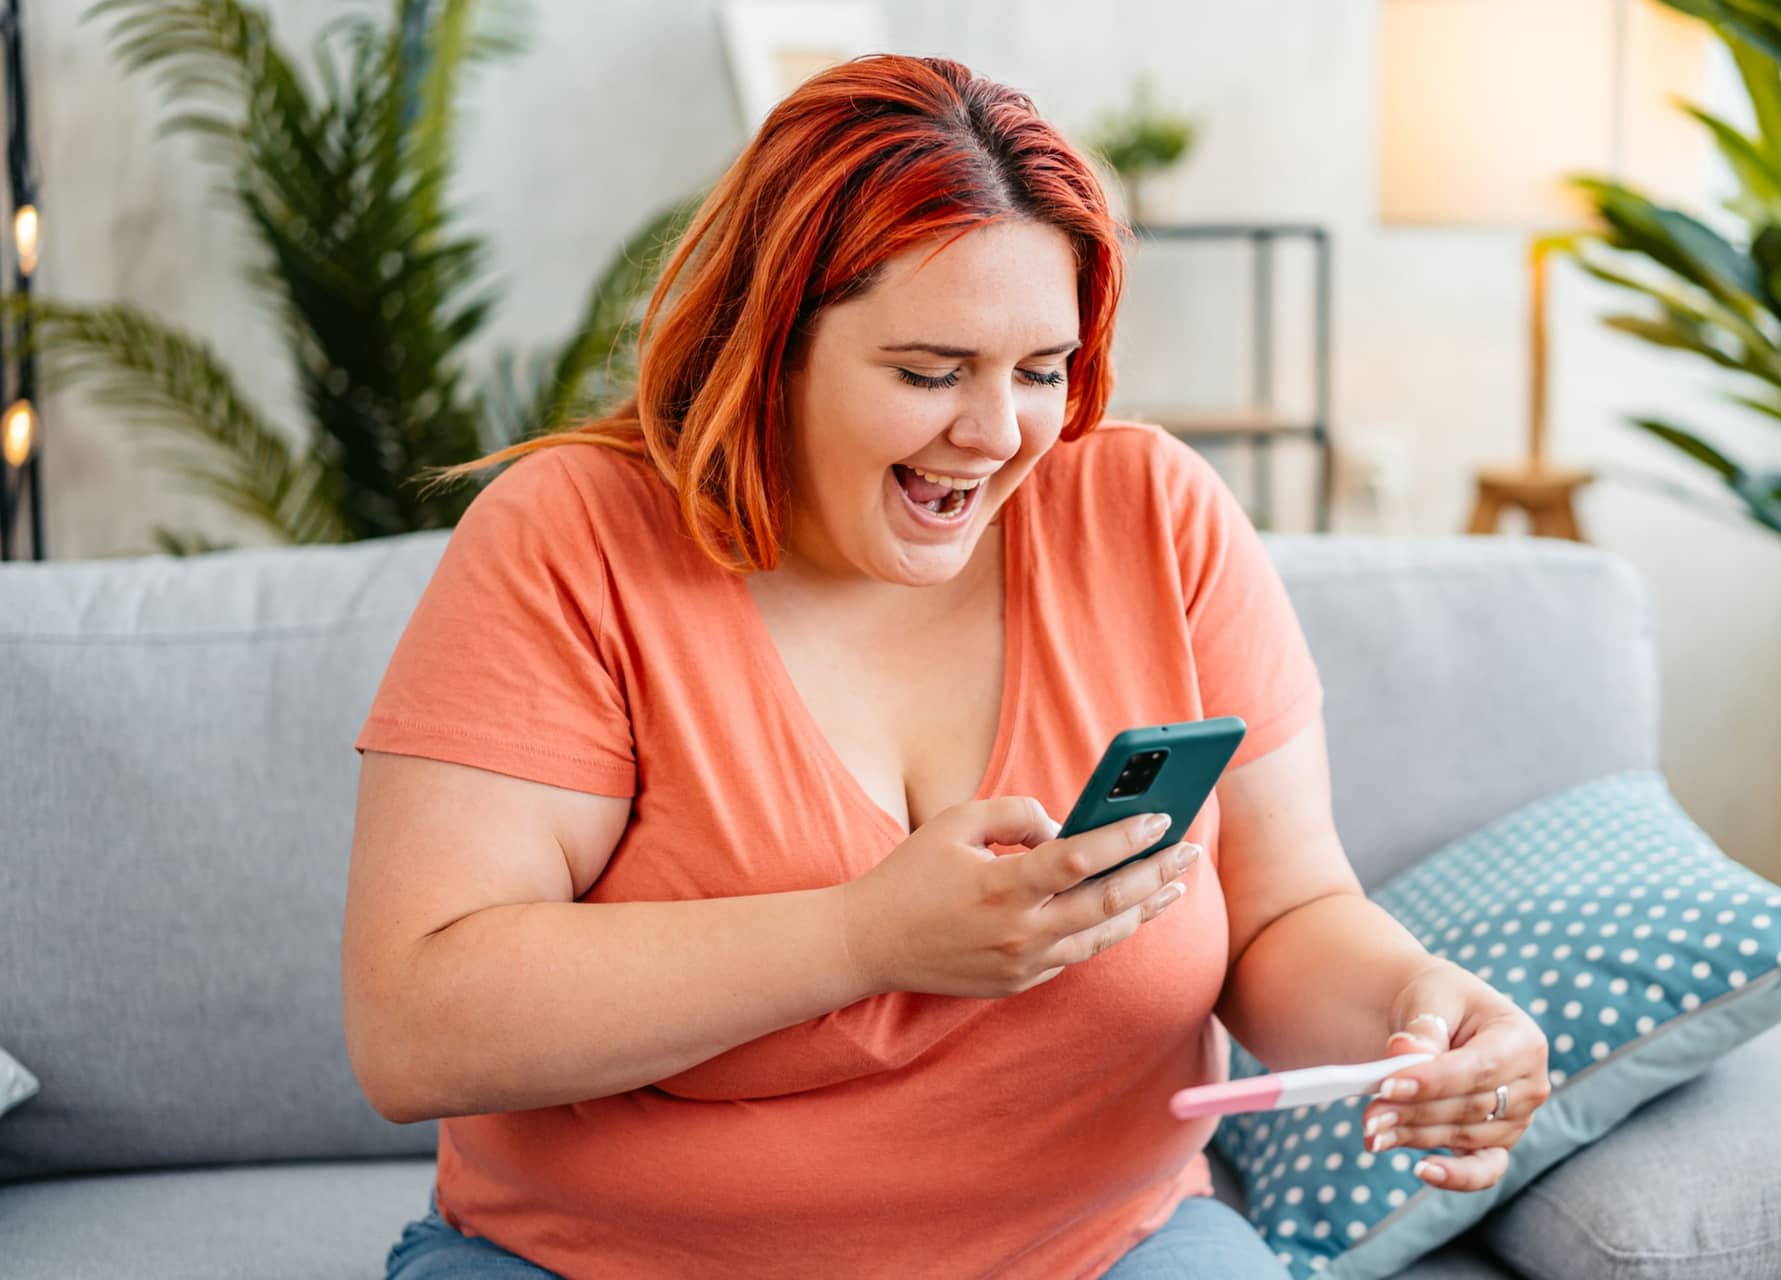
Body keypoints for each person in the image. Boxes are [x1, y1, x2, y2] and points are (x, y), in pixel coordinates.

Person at [343, 53, 1547, 1280]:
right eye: (927, 372)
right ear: (774, 345)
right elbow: (415, 1026)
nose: (994, 434)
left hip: (1098, 1249)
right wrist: (863, 937)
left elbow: (1285, 916)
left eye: (1040, 370)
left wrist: (1419, 1008)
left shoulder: (1153, 514)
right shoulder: (575, 539)